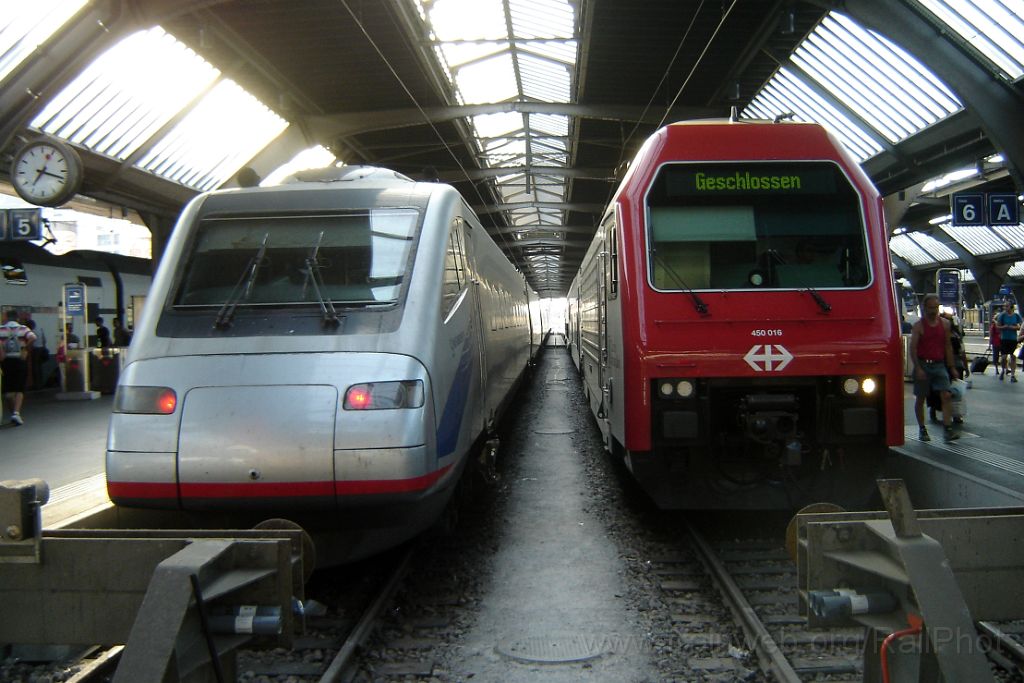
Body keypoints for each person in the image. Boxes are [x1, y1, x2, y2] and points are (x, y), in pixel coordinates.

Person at [909, 294, 959, 442]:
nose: (934, 310)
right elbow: (913, 348)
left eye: (936, 307)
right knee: (921, 398)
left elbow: (948, 346)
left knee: (946, 395)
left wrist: (951, 367)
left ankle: (948, 429)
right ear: (924, 308)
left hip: (939, 364)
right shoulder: (919, 326)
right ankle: (922, 429)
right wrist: (918, 368)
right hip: (923, 364)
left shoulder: (944, 324)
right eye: (931, 307)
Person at [0, 310, 37, 426]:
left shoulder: (1, 329)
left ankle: (14, 413)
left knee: (8, 390)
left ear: (6, 317)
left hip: (5, 361)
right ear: (17, 318)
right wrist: (24, 349)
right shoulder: (23, 328)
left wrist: (2, 352)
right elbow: (33, 337)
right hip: (20, 360)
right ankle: (16, 413)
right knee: (19, 388)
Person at [996, 301, 1022, 382]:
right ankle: (1003, 370)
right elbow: (998, 326)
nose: (1005, 308)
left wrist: (1014, 327)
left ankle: (1013, 375)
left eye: (1007, 306)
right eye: (1004, 306)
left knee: (1013, 357)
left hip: (1013, 339)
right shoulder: (1002, 315)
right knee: (1003, 357)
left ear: (1011, 307)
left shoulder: (1016, 316)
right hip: (1004, 339)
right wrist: (1005, 327)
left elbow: (1019, 326)